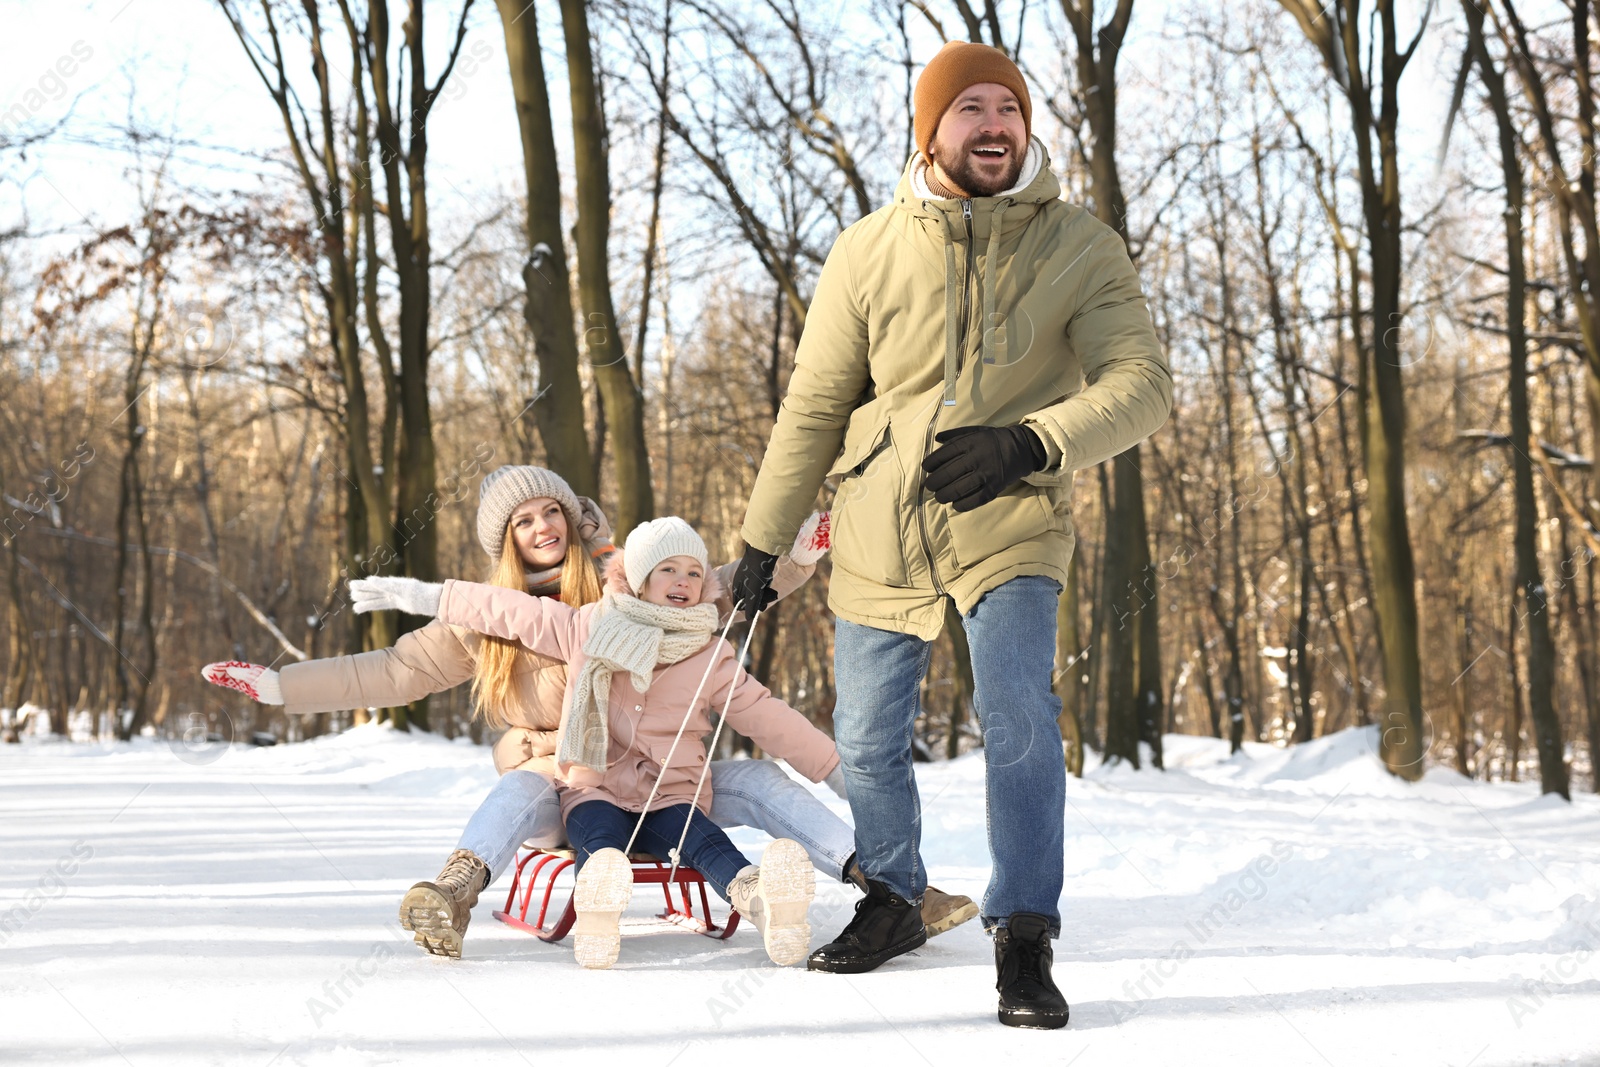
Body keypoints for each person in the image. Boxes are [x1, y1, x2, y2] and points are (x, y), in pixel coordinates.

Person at [727, 42, 1173, 1028]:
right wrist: (761, 542)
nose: (993, 124)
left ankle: (1023, 932)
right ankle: (891, 895)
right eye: (968, 108)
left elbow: (1141, 387)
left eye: (1007, 107)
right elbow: (813, 405)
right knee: (864, 738)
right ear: (930, 131)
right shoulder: (866, 250)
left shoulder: (1079, 246)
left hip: (1009, 518)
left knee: (1015, 713)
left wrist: (1031, 442)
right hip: (878, 522)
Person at [203, 465, 976, 958]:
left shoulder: (623, 589)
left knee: (761, 778)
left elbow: (714, 587)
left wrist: (799, 557)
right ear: (506, 540)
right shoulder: (488, 619)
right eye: (523, 521)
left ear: (573, 521)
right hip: (568, 780)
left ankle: (890, 883)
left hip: (672, 777)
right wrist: (279, 687)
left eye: (551, 512)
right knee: (523, 784)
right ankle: (455, 890)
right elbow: (387, 671)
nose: (541, 528)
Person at [353, 516, 840, 970]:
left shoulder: (710, 652)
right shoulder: (585, 626)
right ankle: (595, 915)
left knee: (702, 838)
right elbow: (506, 611)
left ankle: (764, 902)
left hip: (669, 794)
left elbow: (770, 717)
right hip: (594, 788)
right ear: (638, 578)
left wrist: (835, 768)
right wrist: (422, 595)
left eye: (694, 572)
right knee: (600, 840)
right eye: (668, 568)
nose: (683, 580)